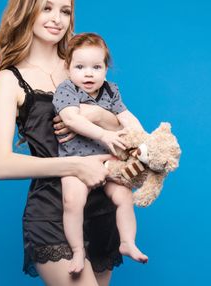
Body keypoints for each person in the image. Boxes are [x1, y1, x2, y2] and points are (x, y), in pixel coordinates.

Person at [0, 0, 123, 286]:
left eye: (65, 11)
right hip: (52, 212)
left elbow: (122, 126)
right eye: (47, 8)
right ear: (27, 10)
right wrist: (75, 165)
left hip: (101, 207)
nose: (57, 19)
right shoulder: (10, 79)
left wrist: (96, 115)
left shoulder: (81, 66)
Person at [53, 33, 148, 274]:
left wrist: (145, 139)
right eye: (80, 67)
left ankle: (127, 242)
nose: (88, 73)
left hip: (107, 162)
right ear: (68, 68)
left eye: (96, 67)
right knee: (72, 201)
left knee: (124, 196)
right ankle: (77, 251)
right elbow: (71, 118)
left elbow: (126, 117)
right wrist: (105, 134)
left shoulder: (110, 91)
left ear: (106, 69)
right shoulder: (66, 90)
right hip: (76, 162)